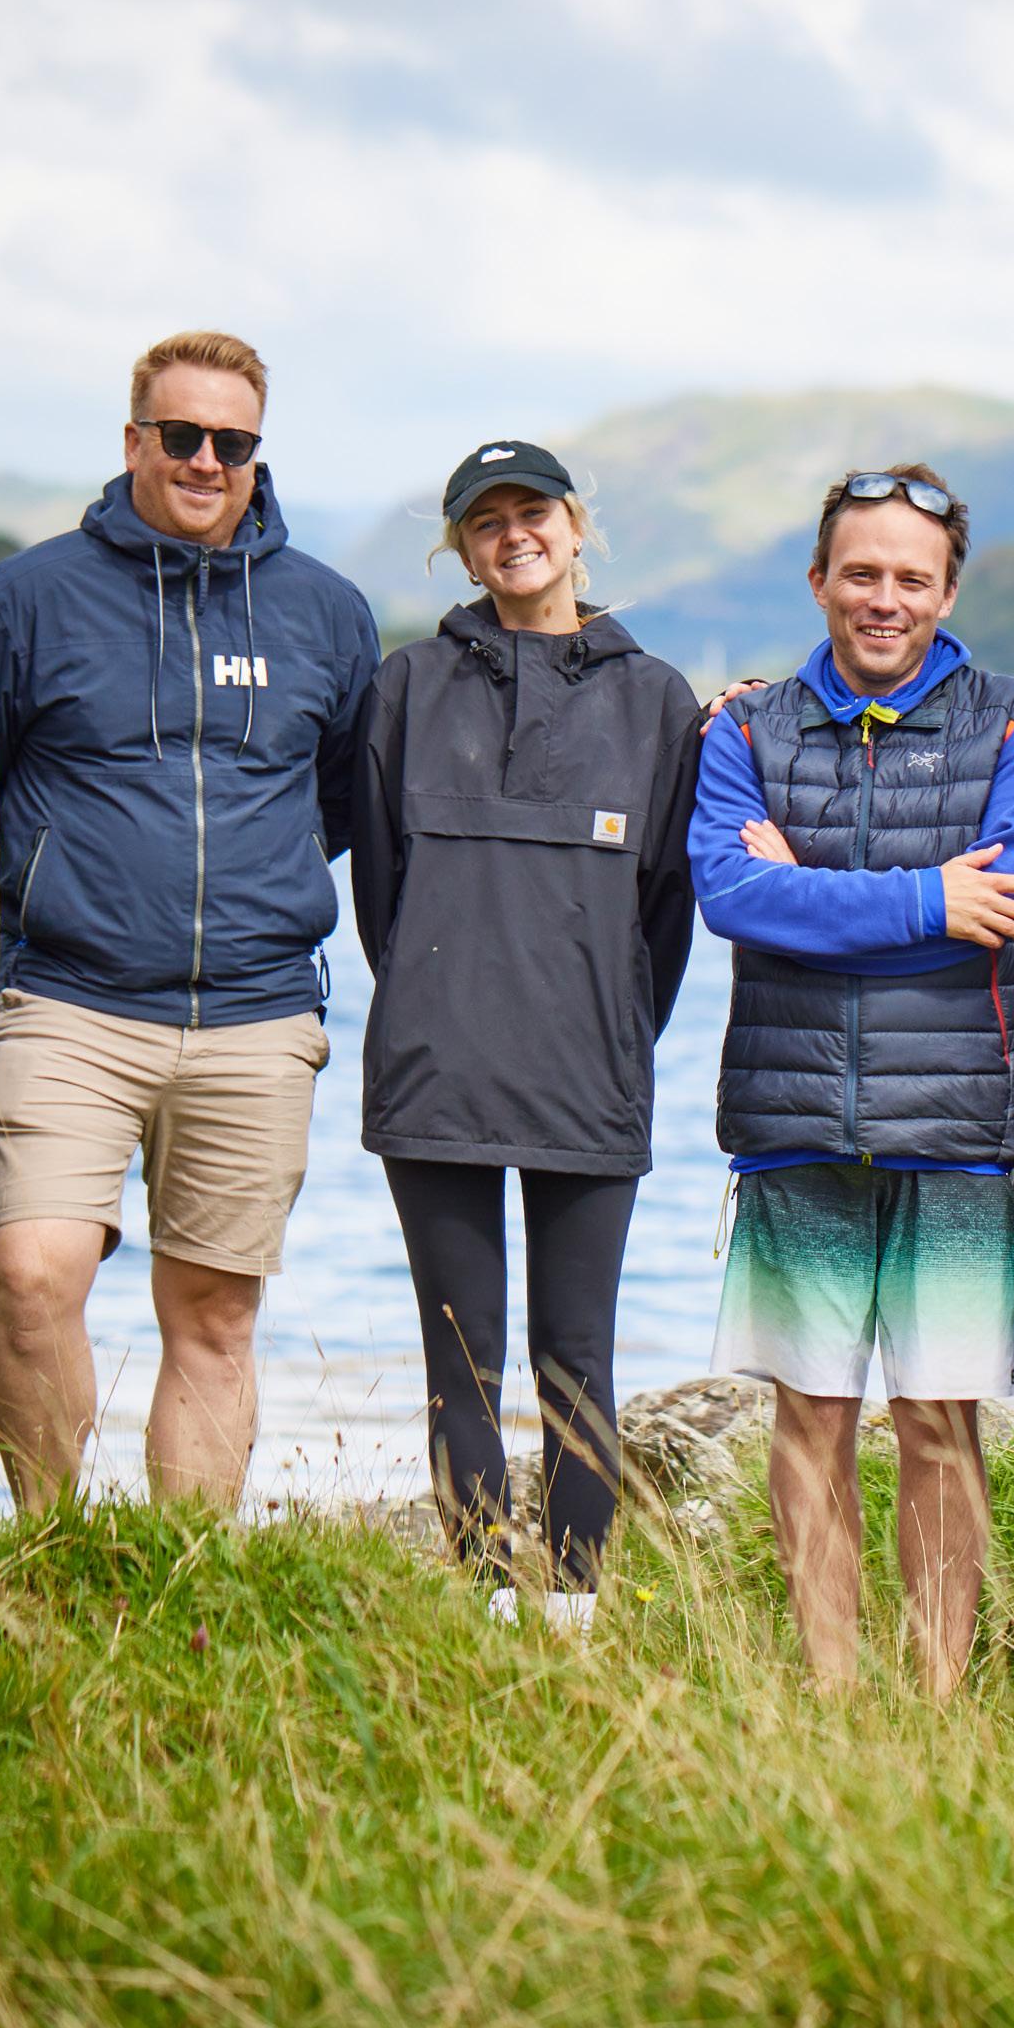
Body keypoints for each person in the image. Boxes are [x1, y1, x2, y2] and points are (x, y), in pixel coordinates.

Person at [0, 332, 381, 1518]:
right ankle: (49, 1545)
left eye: (232, 443)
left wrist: (255, 881)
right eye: (183, 435)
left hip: (255, 1014)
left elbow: (341, 795)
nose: (206, 461)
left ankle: (177, 1578)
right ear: (134, 439)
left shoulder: (326, 613)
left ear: (256, 453)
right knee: (33, 1274)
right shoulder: (23, 600)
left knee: (215, 1316)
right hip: (68, 999)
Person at [693, 463, 1014, 1697]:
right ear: (819, 581)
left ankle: (938, 1696)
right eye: (861, 573)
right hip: (794, 1119)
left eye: (911, 577)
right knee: (809, 1415)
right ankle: (834, 1691)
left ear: (948, 592)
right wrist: (922, 901)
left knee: (941, 1423)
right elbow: (728, 895)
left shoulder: (1012, 722)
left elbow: (1004, 901)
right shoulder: (745, 728)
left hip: (955, 1128)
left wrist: (808, 895)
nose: (883, 598)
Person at [352, 440, 702, 1626]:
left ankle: (574, 1610)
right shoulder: (407, 686)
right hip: (434, 1073)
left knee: (577, 1354)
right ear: (460, 549)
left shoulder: (656, 700)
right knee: (460, 1353)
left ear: (575, 525)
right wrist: (433, 1000)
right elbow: (381, 898)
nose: (514, 535)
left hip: (589, 1072)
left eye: (533, 511)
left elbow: (665, 909)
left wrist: (610, 1022)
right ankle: (485, 1603)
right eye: (485, 520)